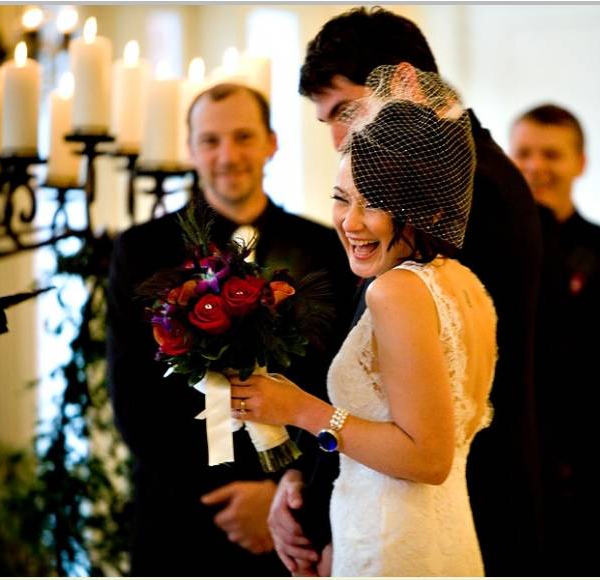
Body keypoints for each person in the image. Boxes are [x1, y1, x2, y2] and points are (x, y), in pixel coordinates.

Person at [269, 8, 544, 576]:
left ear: (404, 82)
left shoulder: (461, 200)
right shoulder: (468, 177)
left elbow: (421, 407)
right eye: (327, 122)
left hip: (428, 517)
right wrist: (303, 478)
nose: (339, 137)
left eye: (345, 111)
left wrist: (322, 522)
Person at [230, 64, 497, 576]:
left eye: (373, 203)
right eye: (341, 198)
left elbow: (428, 457)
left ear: (424, 208)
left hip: (391, 544)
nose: (350, 222)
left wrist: (300, 409)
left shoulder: (397, 290)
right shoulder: (463, 284)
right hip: (443, 540)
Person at [106, 83, 354, 576]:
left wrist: (285, 488)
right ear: (191, 149)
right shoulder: (140, 250)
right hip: (178, 516)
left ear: (271, 143)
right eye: (211, 140)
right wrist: (219, 498)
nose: (227, 155)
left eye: (243, 137)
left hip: (296, 516)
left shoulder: (328, 250)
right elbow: (132, 394)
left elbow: (341, 382)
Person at [508, 104, 600, 569]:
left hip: (594, 453)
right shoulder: (492, 249)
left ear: (580, 163)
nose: (536, 167)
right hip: (518, 447)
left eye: (552, 154)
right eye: (524, 153)